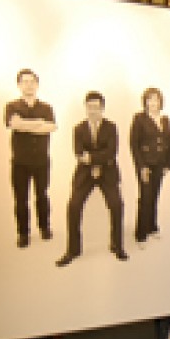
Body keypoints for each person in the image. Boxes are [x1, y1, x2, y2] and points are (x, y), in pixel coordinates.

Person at [56, 91, 128, 267]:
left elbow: (112, 152)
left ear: (102, 108)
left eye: (96, 107)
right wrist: (95, 160)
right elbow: (79, 153)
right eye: (89, 107)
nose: (93, 110)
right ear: (85, 108)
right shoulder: (78, 128)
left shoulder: (111, 127)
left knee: (117, 205)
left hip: (108, 173)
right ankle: (73, 250)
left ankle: (117, 245)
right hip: (84, 174)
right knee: (73, 206)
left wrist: (94, 160)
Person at [5, 69, 57, 248]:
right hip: (20, 161)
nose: (28, 85)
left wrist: (25, 125)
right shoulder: (12, 106)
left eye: (32, 81)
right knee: (21, 199)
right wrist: (39, 124)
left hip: (42, 160)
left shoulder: (46, 107)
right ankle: (23, 233)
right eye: (24, 81)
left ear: (37, 84)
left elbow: (51, 127)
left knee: (42, 195)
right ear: (19, 85)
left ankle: (44, 227)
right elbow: (13, 124)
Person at [130, 87, 170, 245]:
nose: (153, 103)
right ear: (145, 102)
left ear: (160, 101)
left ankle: (152, 227)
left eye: (156, 99)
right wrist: (141, 166)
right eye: (150, 99)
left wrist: (168, 163)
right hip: (145, 164)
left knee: (155, 195)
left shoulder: (165, 119)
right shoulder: (139, 118)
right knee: (145, 197)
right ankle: (140, 234)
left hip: (160, 164)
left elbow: (169, 141)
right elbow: (134, 144)